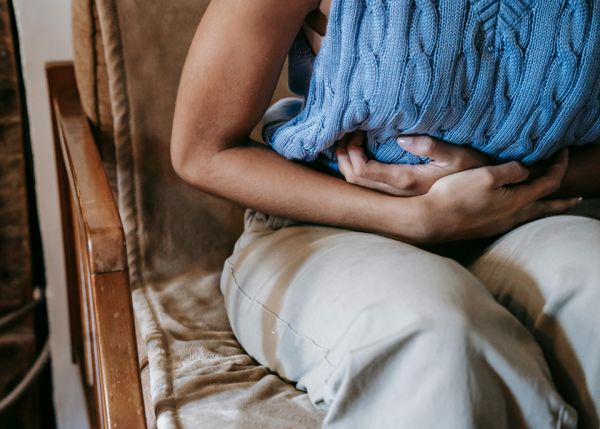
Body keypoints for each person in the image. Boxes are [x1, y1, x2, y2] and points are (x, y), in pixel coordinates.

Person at [170, 1, 600, 427]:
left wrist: (503, 182)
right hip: (327, 228)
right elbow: (202, 151)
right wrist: (417, 219)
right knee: (439, 338)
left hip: (524, 217)